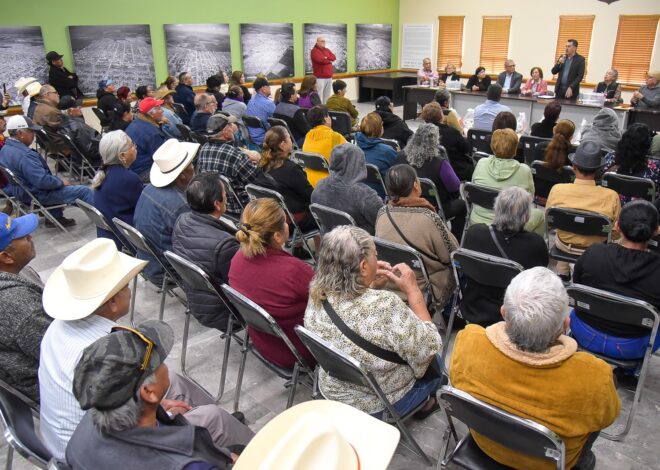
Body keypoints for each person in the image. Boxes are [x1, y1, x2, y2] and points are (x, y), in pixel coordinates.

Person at [39, 239, 253, 460]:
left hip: (86, 437)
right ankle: (256, 451)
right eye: (126, 287)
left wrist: (160, 407)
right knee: (213, 418)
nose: (130, 292)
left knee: (171, 378)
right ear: (112, 301)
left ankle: (225, 424)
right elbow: (123, 425)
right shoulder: (107, 352)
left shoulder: (60, 327)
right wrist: (161, 416)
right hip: (109, 450)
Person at [450, 267, 620, 469]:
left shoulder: (468, 341)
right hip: (550, 463)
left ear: (504, 313)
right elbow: (606, 418)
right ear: (565, 325)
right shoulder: (594, 377)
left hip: (487, 445)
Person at [304, 225, 444, 419]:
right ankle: (425, 404)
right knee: (438, 366)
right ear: (363, 266)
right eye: (375, 256)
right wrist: (413, 292)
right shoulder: (386, 305)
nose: (377, 260)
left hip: (334, 392)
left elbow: (353, 315)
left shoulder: (317, 293)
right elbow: (429, 348)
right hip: (377, 405)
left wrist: (367, 285)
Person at [65, 320, 237, 470]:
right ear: (148, 392)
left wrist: (156, 412)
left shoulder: (90, 419)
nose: (165, 367)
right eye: (159, 362)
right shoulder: (184, 465)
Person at [229, 198, 316, 369]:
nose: (287, 224)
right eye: (285, 221)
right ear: (277, 236)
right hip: (300, 351)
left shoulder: (237, 260)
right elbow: (334, 299)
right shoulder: (293, 271)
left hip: (265, 342)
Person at [571, 200, 660, 361]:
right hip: (631, 347)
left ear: (617, 226)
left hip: (584, 333)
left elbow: (576, 285)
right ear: (657, 231)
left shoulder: (594, 252)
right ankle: (629, 372)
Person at [462, 187, 549, 326]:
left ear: (496, 210)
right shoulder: (535, 245)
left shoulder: (475, 233)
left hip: (473, 308)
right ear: (526, 216)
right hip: (514, 315)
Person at [375, 164, 458, 307]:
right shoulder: (428, 217)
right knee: (458, 268)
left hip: (389, 282)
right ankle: (450, 314)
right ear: (415, 185)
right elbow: (452, 254)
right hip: (422, 288)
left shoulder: (382, 214)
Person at [172, 172, 239, 331]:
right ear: (217, 204)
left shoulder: (182, 221)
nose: (227, 197)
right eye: (225, 194)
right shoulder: (225, 245)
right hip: (225, 312)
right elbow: (241, 286)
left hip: (198, 301)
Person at [0, 115, 94, 227]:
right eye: (31, 131)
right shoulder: (24, 155)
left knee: (69, 189)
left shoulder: (6, 149)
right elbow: (42, 181)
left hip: (22, 192)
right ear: (20, 134)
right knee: (83, 191)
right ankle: (105, 217)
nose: (34, 135)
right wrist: (60, 182)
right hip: (36, 194)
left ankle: (54, 217)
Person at [546, 141, 621, 279]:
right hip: (595, 250)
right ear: (598, 169)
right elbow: (615, 233)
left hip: (563, 245)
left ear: (574, 166)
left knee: (568, 229)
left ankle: (563, 271)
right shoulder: (611, 196)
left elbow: (549, 222)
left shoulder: (557, 190)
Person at [0, 213, 49, 403]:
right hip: (55, 387)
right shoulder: (17, 306)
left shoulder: (21, 272)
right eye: (23, 237)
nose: (31, 237)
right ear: (6, 256)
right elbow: (71, 355)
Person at [134, 139, 197, 283]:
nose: (194, 168)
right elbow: (194, 248)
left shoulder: (148, 189)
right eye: (191, 165)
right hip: (167, 270)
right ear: (182, 175)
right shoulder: (180, 206)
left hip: (150, 262)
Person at [471, 128, 545, 235]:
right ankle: (529, 248)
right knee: (539, 215)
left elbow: (473, 188)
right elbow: (530, 199)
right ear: (515, 148)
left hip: (478, 220)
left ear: (493, 147)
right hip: (511, 226)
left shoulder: (481, 163)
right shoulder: (524, 170)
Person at [400, 122, 466, 239]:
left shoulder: (400, 157)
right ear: (435, 142)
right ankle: (455, 239)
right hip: (434, 208)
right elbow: (455, 186)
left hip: (405, 202)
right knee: (462, 205)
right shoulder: (440, 163)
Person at [197, 114, 259, 219]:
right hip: (240, 207)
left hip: (217, 204)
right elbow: (256, 180)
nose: (233, 127)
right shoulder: (235, 155)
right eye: (230, 125)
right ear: (225, 132)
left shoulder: (204, 148)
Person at [311, 144, 383, 234]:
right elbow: (383, 220)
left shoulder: (320, 185)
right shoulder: (363, 194)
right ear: (357, 163)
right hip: (358, 244)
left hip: (329, 240)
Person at [92, 131, 144, 248]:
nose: (135, 147)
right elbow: (144, 212)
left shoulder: (103, 173)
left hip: (111, 236)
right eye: (132, 145)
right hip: (129, 239)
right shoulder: (128, 179)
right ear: (122, 156)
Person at [255, 126, 314, 230]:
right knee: (323, 214)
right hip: (292, 220)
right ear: (282, 144)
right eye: (289, 137)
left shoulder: (261, 165)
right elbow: (311, 196)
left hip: (272, 217)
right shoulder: (291, 169)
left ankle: (298, 245)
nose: (291, 139)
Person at [604, 123, 659, 205]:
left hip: (610, 210)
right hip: (641, 214)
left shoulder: (610, 158)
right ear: (647, 145)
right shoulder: (654, 168)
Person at [125, 96, 168, 181]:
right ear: (151, 114)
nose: (162, 111)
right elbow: (163, 158)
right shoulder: (152, 133)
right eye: (159, 108)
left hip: (131, 169)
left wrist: (159, 125)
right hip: (143, 172)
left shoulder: (135, 123)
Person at [302, 105, 347, 187]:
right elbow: (352, 156)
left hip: (309, 181)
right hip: (328, 185)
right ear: (326, 119)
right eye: (328, 115)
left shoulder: (308, 136)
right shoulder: (335, 137)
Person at [355, 112, 398, 198]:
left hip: (357, 194)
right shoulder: (387, 151)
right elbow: (398, 174)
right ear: (380, 128)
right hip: (379, 197)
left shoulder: (353, 149)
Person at [535, 119, 576, 203]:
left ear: (554, 131)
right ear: (571, 136)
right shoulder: (573, 154)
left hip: (540, 193)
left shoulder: (540, 147)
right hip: (562, 197)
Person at [59, 95, 102, 166]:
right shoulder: (79, 127)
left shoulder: (62, 122)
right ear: (70, 111)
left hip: (79, 160)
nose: (80, 108)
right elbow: (91, 151)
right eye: (78, 107)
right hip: (95, 160)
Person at [245, 77, 275, 146]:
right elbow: (277, 121)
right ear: (263, 89)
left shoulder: (250, 102)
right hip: (264, 139)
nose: (270, 88)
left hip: (252, 138)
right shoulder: (269, 103)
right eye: (269, 86)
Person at [310, 36, 336, 103]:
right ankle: (319, 111)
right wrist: (329, 61)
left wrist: (326, 57)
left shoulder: (327, 50)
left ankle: (325, 110)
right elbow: (320, 60)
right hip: (319, 78)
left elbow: (334, 57)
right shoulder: (314, 51)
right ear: (317, 42)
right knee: (318, 96)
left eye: (324, 41)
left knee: (327, 96)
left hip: (329, 77)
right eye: (321, 41)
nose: (323, 42)